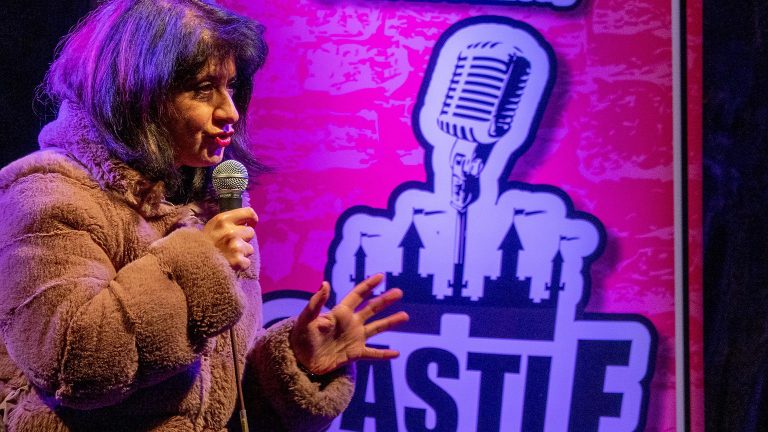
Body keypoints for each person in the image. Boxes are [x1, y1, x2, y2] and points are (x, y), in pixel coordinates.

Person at [0, 0, 408, 431]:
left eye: (231, 87)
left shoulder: (209, 204)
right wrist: (196, 267)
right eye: (202, 88)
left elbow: (212, 401)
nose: (230, 111)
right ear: (135, 95)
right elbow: (73, 364)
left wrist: (300, 361)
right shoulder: (47, 193)